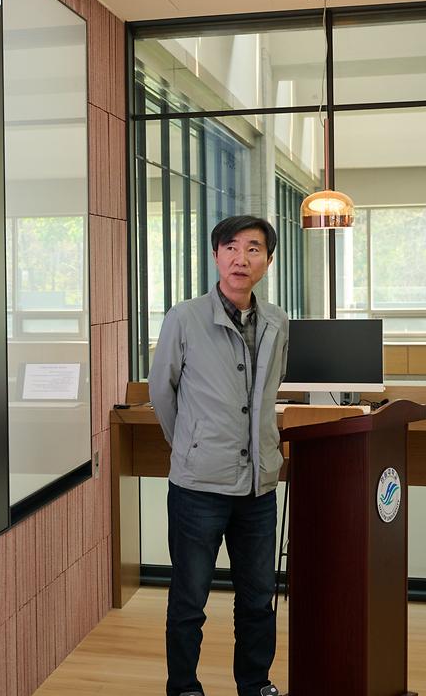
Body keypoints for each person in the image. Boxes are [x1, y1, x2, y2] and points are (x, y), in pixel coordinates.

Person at [148, 215, 289, 696]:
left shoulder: (277, 321)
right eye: (230, 247)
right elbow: (162, 392)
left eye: (253, 248)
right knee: (190, 599)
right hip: (198, 487)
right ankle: (184, 686)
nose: (240, 258)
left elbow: (271, 389)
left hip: (258, 486)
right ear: (215, 256)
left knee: (257, 598)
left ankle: (255, 683)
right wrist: (191, 445)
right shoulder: (184, 317)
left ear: (267, 261)